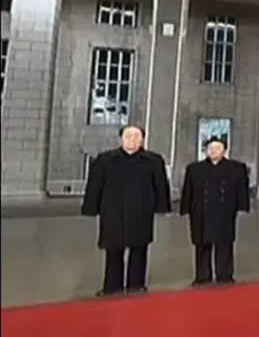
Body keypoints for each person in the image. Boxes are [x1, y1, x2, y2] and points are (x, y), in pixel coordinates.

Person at [82, 125, 171, 296]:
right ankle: (112, 286)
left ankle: (136, 285)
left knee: (139, 248)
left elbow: (161, 185)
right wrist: (91, 207)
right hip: (112, 211)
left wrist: (162, 207)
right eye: (128, 136)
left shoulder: (153, 160)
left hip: (141, 211)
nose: (132, 140)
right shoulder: (105, 159)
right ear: (121, 139)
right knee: (113, 249)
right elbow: (95, 185)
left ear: (142, 139)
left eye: (136, 136)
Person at [180, 136, 250, 286]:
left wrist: (242, 206)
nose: (213, 151)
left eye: (217, 148)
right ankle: (202, 276)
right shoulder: (194, 168)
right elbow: (188, 190)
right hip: (200, 212)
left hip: (225, 211)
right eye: (210, 148)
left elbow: (241, 189)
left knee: (224, 244)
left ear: (224, 150)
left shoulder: (236, 168)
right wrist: (185, 208)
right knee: (201, 244)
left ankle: (224, 275)